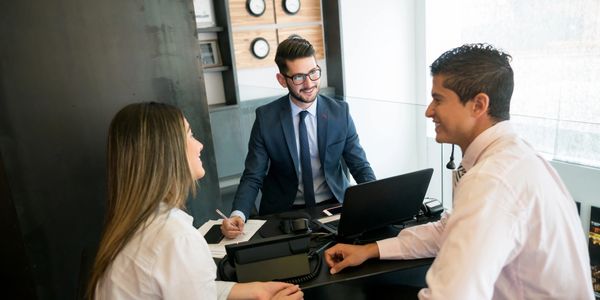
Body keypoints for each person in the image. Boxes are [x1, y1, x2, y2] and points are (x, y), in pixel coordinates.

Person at [324, 44, 594, 299]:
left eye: (438, 100)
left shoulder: (491, 180)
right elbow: (448, 230)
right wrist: (371, 250)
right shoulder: (515, 156)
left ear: (478, 105)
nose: (429, 111)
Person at [87, 102, 303, 300]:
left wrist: (255, 291)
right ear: (166, 152)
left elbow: (190, 288)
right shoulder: (176, 240)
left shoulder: (137, 223)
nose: (199, 145)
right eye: (189, 135)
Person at [222, 37, 375, 238]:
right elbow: (253, 176)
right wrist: (238, 214)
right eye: (299, 77)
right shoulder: (266, 119)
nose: (309, 83)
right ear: (281, 79)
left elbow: (360, 166)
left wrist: (375, 201)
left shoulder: (340, 113)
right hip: (285, 211)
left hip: (335, 204)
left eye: (313, 73)